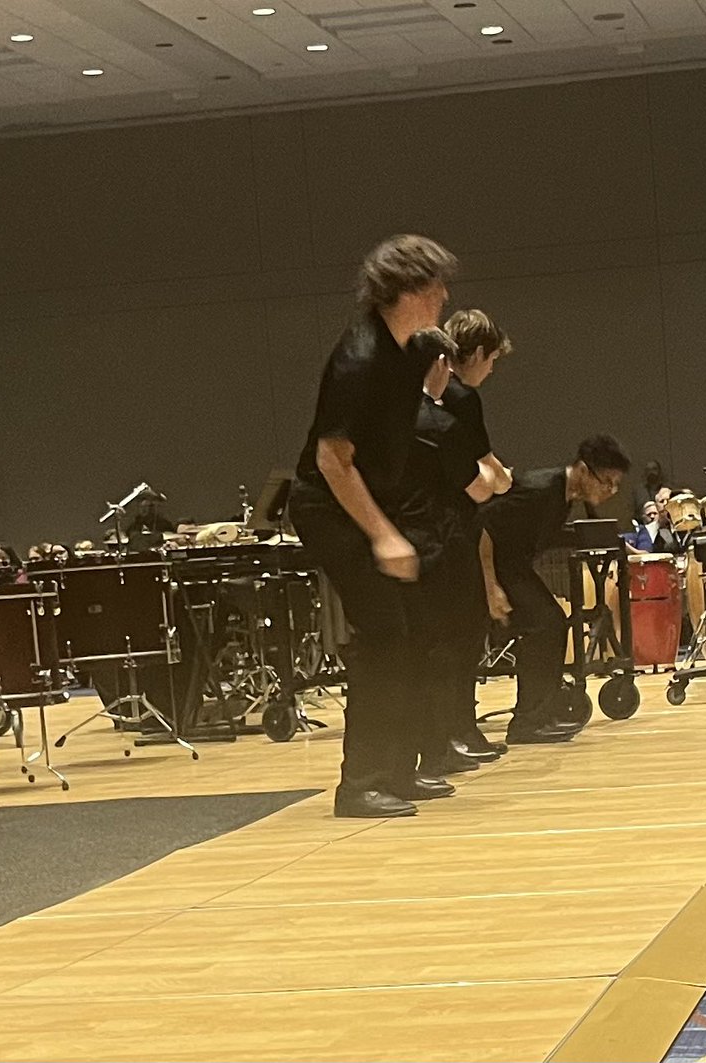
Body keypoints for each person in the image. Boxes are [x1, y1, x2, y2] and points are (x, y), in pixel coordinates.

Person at [288, 233, 457, 819]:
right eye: (432, 284)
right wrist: (383, 534)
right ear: (403, 290)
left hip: (368, 501)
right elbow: (333, 461)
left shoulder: (409, 349)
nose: (442, 294)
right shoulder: (358, 357)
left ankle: (397, 770)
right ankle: (359, 784)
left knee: (409, 631)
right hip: (329, 506)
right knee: (384, 634)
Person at [480, 435, 631, 744]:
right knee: (545, 623)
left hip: (512, 565)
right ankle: (528, 722)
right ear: (583, 471)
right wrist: (491, 586)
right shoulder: (540, 489)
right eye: (607, 482)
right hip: (488, 565)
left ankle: (537, 716)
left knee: (550, 623)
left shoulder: (563, 497)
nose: (610, 491)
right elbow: (483, 527)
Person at [417, 308, 515, 770]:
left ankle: (450, 733)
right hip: (453, 526)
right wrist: (503, 479)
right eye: (491, 359)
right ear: (472, 354)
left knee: (450, 636)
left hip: (437, 525)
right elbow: (486, 471)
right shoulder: (458, 400)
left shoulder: (435, 404)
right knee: (462, 633)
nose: (492, 370)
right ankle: (457, 731)